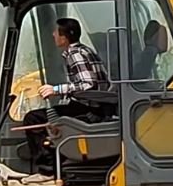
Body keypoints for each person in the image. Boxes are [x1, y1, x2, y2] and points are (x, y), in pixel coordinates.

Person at [21, 17, 109, 173]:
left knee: (32, 119)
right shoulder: (85, 50)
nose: (53, 35)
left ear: (65, 36)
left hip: (87, 109)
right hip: (96, 107)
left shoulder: (74, 54)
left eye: (56, 32)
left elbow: (88, 85)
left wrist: (56, 90)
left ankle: (48, 170)